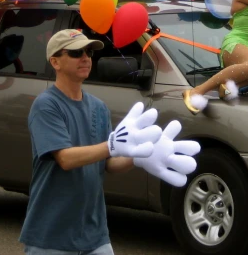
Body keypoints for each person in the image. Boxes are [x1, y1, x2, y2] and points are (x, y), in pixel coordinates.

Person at [19, 30, 166, 254]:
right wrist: (112, 146)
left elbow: (108, 163)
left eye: (88, 52)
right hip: (50, 236)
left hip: (95, 235)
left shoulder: (99, 107)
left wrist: (139, 156)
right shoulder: (46, 105)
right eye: (77, 52)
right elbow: (65, 159)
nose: (86, 58)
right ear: (55, 62)